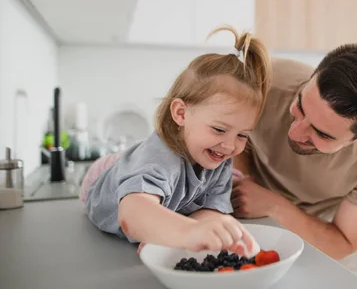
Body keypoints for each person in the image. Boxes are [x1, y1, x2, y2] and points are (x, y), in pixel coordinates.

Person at [79, 25, 272, 257]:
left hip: (167, 186)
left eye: (242, 135)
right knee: (143, 173)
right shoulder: (160, 159)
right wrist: (186, 233)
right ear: (181, 113)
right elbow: (132, 215)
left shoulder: (220, 158)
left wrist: (208, 231)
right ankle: (124, 163)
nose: (231, 146)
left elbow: (211, 212)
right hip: (102, 178)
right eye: (219, 129)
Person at [230, 44, 357, 276]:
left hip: (322, 238)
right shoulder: (265, 80)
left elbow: (342, 241)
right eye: (300, 107)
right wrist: (244, 180)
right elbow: (229, 134)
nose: (295, 133)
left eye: (322, 133)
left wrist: (273, 205)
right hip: (249, 216)